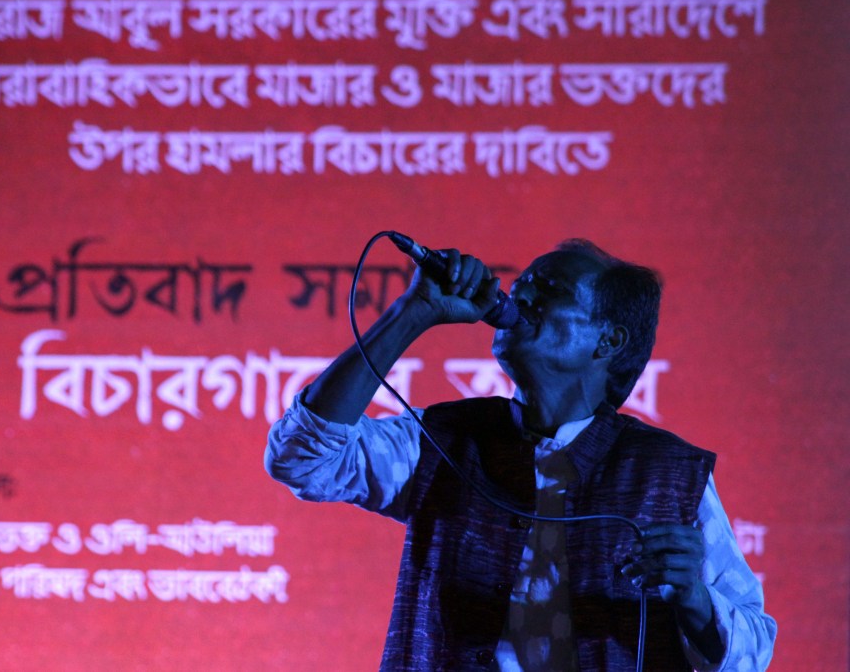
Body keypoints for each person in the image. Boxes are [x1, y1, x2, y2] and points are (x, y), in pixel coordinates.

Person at [265, 239, 776, 671]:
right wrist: (415, 310)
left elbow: (754, 648)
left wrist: (695, 599)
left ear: (608, 341)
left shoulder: (666, 473)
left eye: (550, 289)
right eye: (523, 283)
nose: (520, 295)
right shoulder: (445, 437)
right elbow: (302, 458)